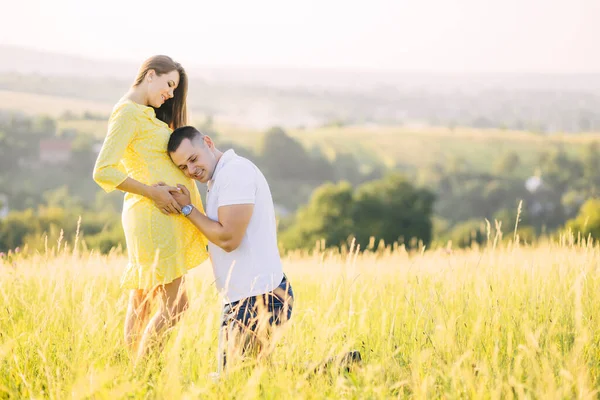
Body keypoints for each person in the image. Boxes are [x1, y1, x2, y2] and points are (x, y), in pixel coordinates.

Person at [92, 56, 209, 362]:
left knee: (142, 301)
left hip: (158, 214)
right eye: (169, 84)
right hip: (153, 214)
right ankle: (147, 371)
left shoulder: (142, 114)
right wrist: (152, 193)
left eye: (175, 88)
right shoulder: (127, 113)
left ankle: (132, 374)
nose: (171, 93)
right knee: (177, 305)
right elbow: (103, 170)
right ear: (150, 75)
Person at [164, 125, 294, 371]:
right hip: (243, 297)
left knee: (233, 382)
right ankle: (344, 366)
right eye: (183, 167)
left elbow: (228, 239)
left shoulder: (235, 173)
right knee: (260, 380)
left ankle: (342, 369)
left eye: (193, 159)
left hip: (259, 297)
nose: (191, 170)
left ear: (208, 143)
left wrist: (188, 209)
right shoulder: (219, 178)